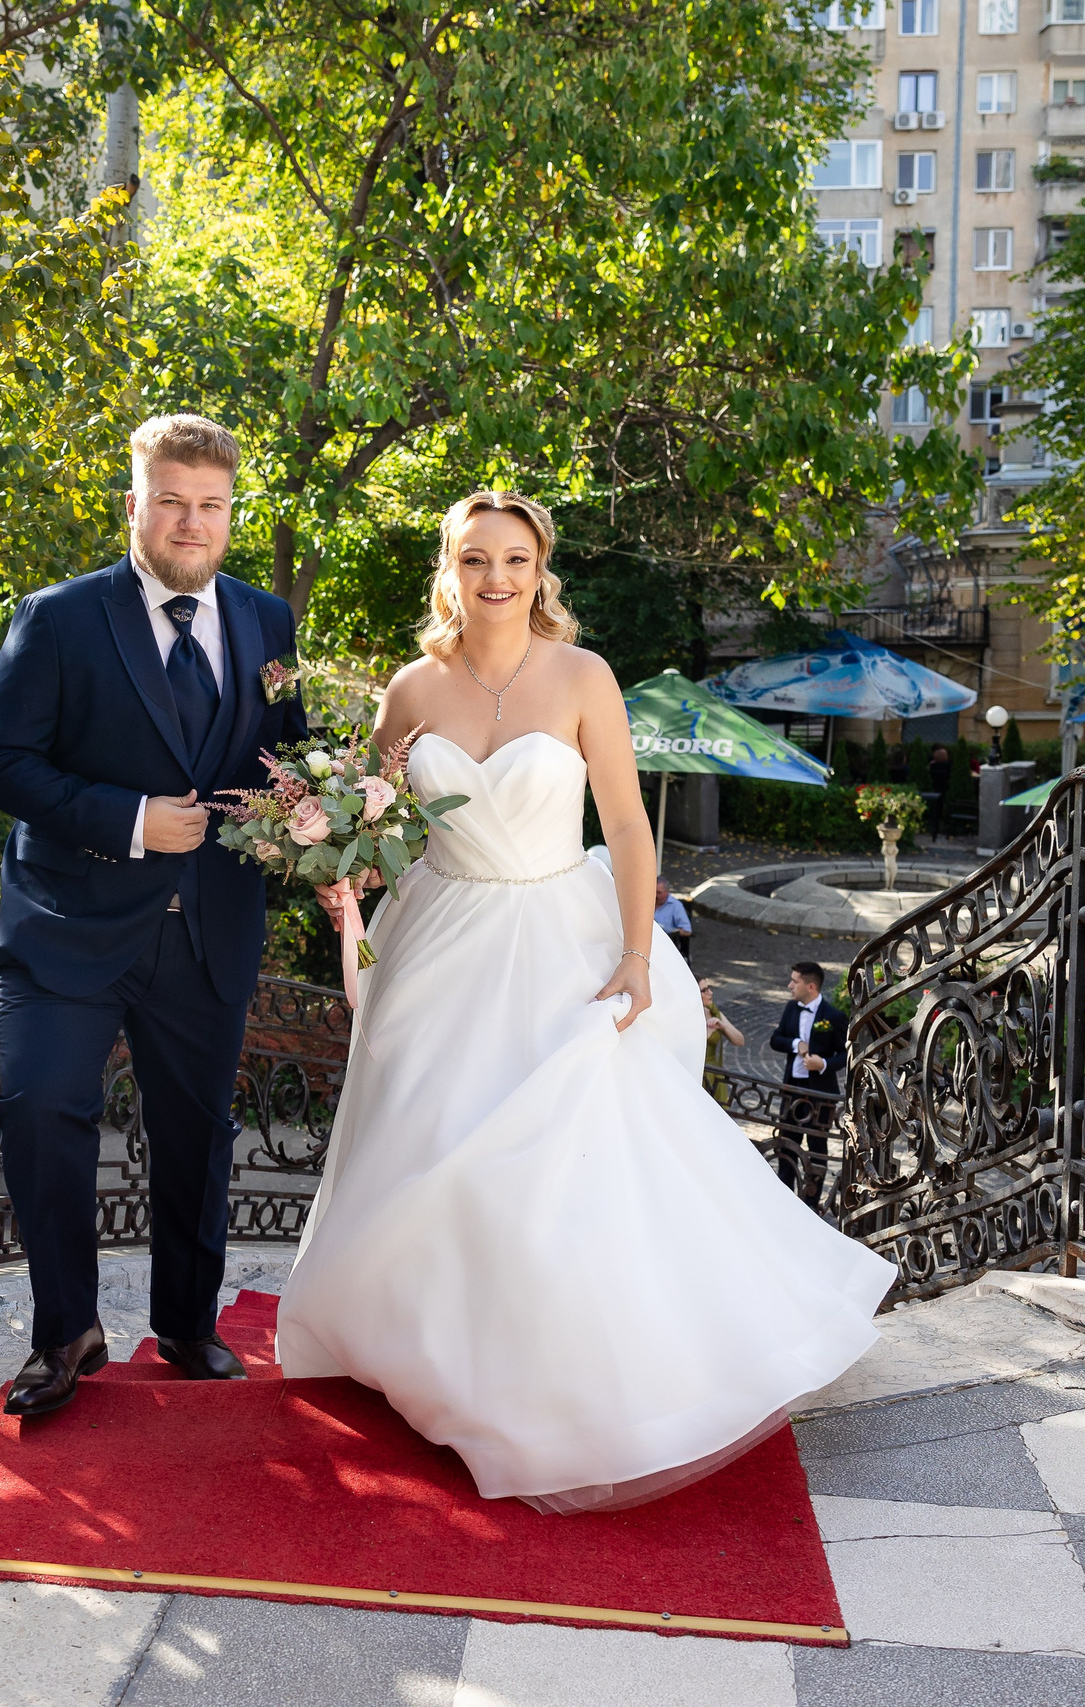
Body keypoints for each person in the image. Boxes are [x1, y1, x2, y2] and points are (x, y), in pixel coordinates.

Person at [280, 491, 894, 1514]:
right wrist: (336, 864)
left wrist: (638, 957)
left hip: (557, 937)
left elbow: (624, 819)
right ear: (449, 568)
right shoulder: (411, 687)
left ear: (539, 569)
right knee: (430, 1148)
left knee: (547, 1158)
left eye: (514, 559)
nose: (495, 579)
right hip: (438, 939)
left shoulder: (582, 676)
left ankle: (553, 1378)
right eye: (475, 559)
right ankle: (432, 1357)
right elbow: (372, 818)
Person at [0, 413, 310, 1418]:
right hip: (66, 923)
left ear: (230, 511)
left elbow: (281, 756)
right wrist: (125, 820)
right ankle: (66, 1330)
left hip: (208, 925)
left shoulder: (265, 622)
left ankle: (186, 1322)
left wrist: (314, 811)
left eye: (209, 505)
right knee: (39, 1111)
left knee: (199, 1130)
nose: (189, 523)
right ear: (135, 505)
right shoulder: (59, 617)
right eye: (170, 502)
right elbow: (0, 764)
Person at [769, 961, 847, 1200]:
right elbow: (776, 1039)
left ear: (811, 986)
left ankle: (811, 1204)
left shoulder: (834, 1016)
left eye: (795, 981)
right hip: (792, 1088)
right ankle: (783, 1199)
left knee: (817, 1150)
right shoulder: (792, 1009)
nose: (789, 985)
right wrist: (796, 1044)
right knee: (785, 1146)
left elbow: (846, 1053)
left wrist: (822, 1064)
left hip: (819, 1094)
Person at [698, 979, 746, 1105]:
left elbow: (739, 1040)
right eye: (704, 990)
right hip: (698, 1074)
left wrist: (723, 1026)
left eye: (709, 988)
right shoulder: (687, 1017)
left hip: (715, 1075)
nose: (710, 992)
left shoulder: (713, 1012)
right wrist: (707, 1033)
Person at [653, 876, 694, 960]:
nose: (655, 895)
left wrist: (672, 933)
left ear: (667, 892)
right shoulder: (648, 902)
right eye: (653, 892)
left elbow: (687, 931)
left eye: (659, 892)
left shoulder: (675, 906)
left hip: (665, 947)